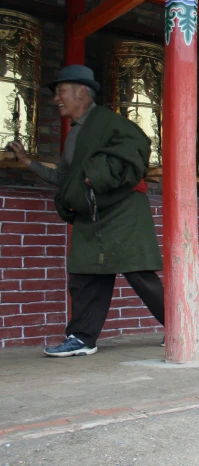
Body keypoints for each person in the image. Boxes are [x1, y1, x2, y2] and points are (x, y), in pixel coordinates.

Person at [5, 65, 165, 356]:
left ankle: (180, 324)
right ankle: (82, 338)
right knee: (84, 275)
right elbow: (65, 180)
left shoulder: (109, 122)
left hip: (123, 211)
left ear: (82, 92)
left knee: (139, 273)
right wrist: (29, 163)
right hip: (91, 215)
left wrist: (100, 176)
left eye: (61, 92)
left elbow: (137, 150)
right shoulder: (75, 135)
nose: (57, 99)